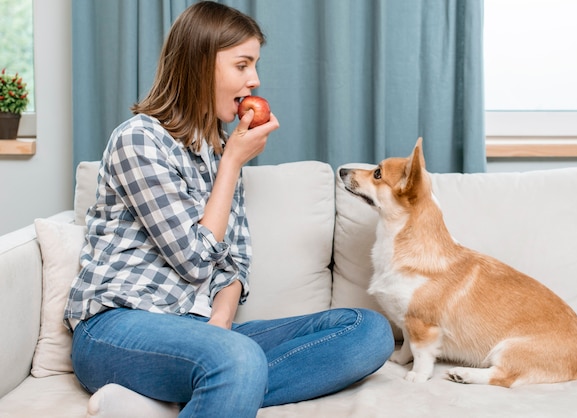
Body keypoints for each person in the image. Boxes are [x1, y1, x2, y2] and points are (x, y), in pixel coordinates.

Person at [64, 2, 394, 417]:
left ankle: (173, 399)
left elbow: (232, 263)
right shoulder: (139, 140)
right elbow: (195, 260)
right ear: (200, 64)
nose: (254, 79)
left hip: (199, 333)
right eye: (242, 65)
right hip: (117, 327)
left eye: (254, 65)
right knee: (237, 359)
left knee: (367, 332)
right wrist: (232, 164)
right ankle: (221, 377)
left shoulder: (218, 149)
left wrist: (220, 324)